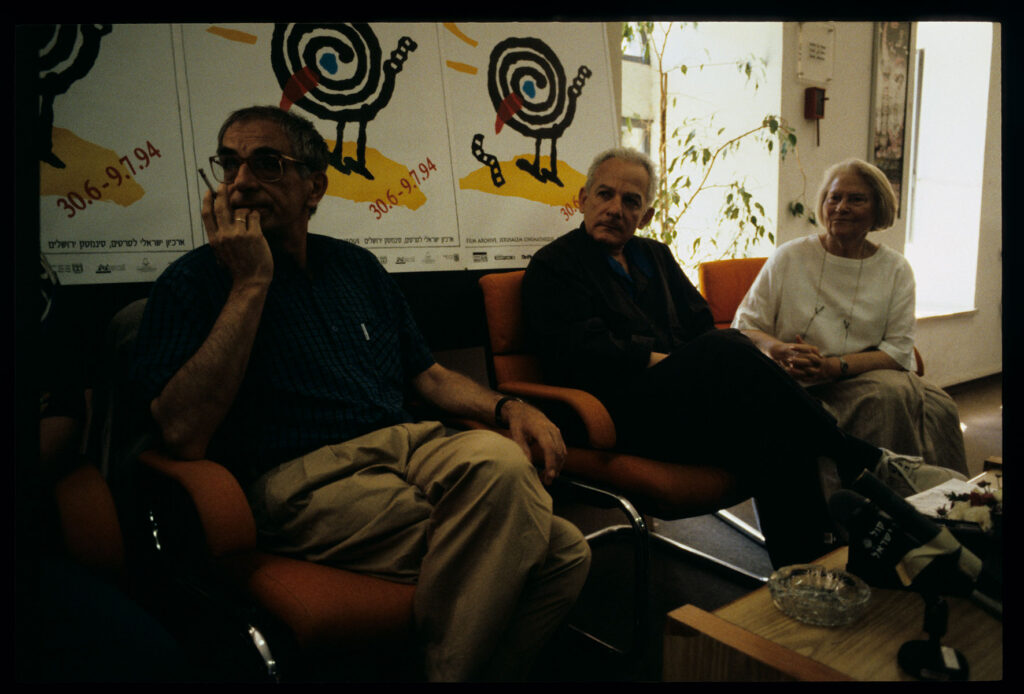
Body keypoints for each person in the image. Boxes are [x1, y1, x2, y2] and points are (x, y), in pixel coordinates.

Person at [131, 106, 590, 682]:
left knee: (499, 466)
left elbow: (426, 374)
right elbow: (182, 433)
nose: (242, 182)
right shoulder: (192, 282)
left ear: (313, 187)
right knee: (561, 550)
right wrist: (250, 282)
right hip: (302, 476)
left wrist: (509, 405)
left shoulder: (356, 266)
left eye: (267, 164)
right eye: (230, 163)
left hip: (410, 445)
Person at [521, 147, 964, 568]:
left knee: (777, 430)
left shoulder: (651, 254)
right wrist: (681, 363)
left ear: (647, 215)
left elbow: (698, 318)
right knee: (729, 344)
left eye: (631, 201)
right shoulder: (554, 265)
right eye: (605, 194)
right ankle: (861, 458)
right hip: (616, 410)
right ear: (582, 199)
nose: (616, 208)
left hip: (684, 406)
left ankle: (805, 568)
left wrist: (695, 364)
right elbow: (580, 352)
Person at [732, 158, 968, 475]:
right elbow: (745, 327)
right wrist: (780, 349)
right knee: (889, 396)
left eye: (856, 199)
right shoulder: (789, 257)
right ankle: (873, 501)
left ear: (877, 209)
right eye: (835, 197)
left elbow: (898, 350)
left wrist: (831, 366)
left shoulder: (895, 269)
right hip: (795, 380)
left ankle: (940, 503)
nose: (842, 207)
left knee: (940, 408)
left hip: (859, 373)